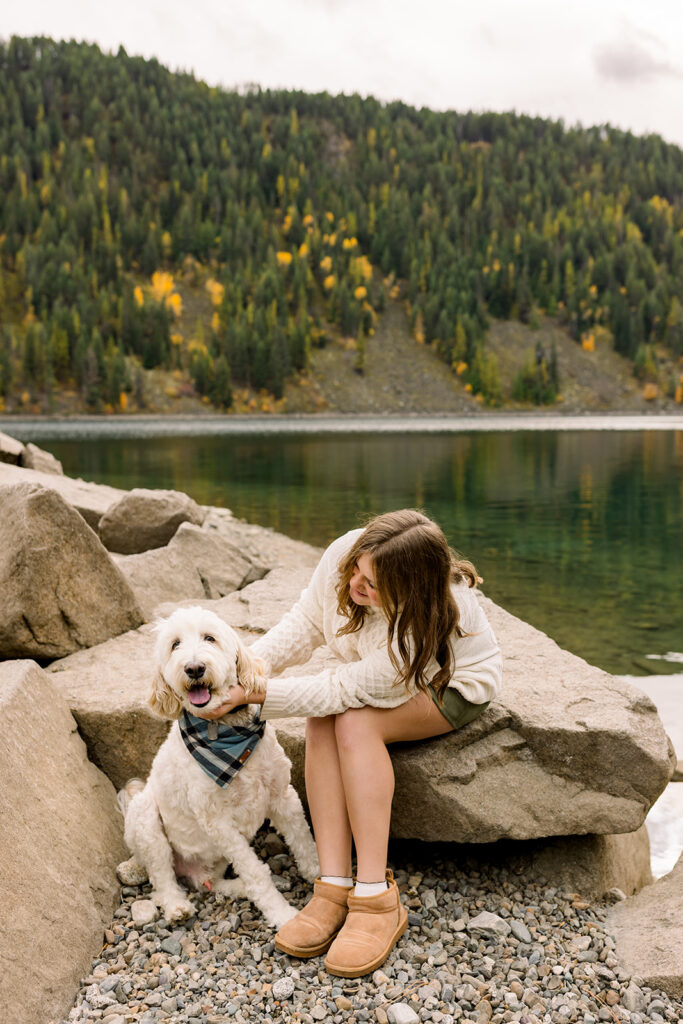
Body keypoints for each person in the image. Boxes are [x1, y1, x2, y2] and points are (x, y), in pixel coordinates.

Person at [201, 509, 502, 978]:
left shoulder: (422, 622)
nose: (358, 586)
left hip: (449, 683)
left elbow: (346, 691)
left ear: (409, 592)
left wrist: (255, 697)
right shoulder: (347, 552)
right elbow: (306, 621)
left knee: (355, 722)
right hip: (373, 678)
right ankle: (333, 886)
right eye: (357, 571)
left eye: (374, 585)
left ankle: (375, 900)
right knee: (324, 722)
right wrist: (241, 670)